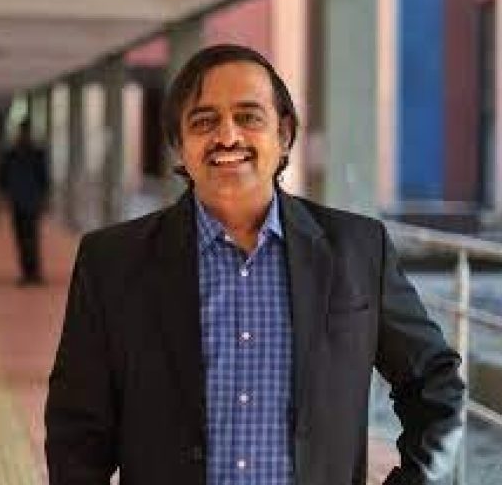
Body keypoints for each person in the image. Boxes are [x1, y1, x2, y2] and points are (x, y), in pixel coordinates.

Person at [45, 44, 464, 485]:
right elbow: (77, 433)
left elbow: (435, 384)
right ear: (179, 145)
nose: (227, 137)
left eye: (248, 117)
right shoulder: (112, 262)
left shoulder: (358, 250)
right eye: (203, 121)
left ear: (284, 134)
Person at [0, 118, 49, 285]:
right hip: (18, 202)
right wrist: (6, 194)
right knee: (21, 238)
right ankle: (27, 272)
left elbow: (44, 179)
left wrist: (43, 198)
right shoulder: (11, 154)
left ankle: (33, 272)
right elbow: (2, 177)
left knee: (31, 238)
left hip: (31, 202)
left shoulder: (36, 153)